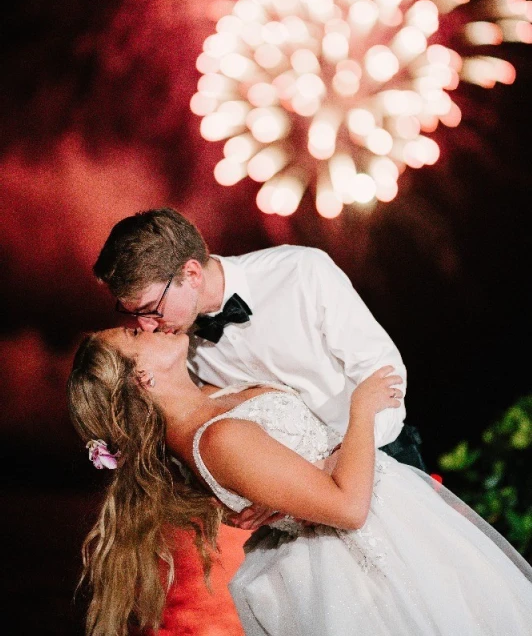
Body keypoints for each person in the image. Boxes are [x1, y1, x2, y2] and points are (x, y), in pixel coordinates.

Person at [68, 327, 532, 636]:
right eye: (134, 333)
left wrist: (287, 495)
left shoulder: (210, 399)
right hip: (368, 552)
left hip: (396, 520)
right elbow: (349, 509)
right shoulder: (218, 438)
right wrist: (361, 410)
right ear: (142, 377)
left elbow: (289, 470)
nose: (148, 323)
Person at [93, 208, 426, 503]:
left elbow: (384, 376)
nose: (146, 326)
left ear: (192, 274)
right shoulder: (176, 351)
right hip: (301, 494)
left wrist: (336, 465)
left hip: (385, 457)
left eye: (151, 309)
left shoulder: (300, 272)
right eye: (133, 314)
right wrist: (274, 492)